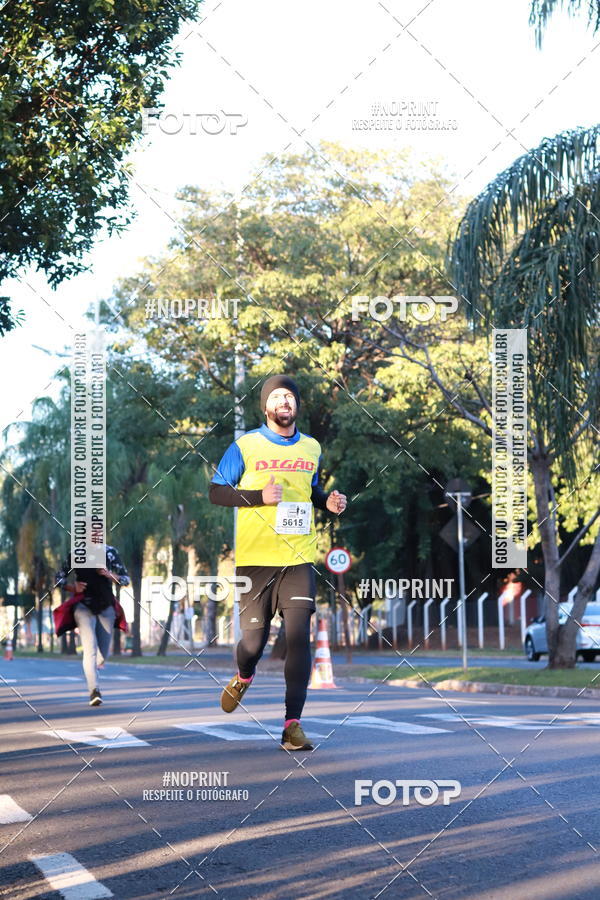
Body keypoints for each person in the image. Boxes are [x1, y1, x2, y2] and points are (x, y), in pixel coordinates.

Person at [209, 374, 347, 750]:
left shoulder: (312, 448)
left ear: (297, 405)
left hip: (298, 557)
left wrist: (327, 502)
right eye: (277, 397)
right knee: (252, 643)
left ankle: (292, 726)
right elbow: (216, 492)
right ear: (266, 406)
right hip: (255, 561)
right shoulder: (245, 446)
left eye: (290, 397)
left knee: (298, 638)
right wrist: (258, 496)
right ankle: (243, 675)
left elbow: (311, 491)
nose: (285, 402)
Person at [55, 544, 130, 706]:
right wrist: (72, 587)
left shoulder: (110, 552)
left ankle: (96, 665)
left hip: (106, 606)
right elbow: (58, 579)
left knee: (102, 655)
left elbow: (125, 579)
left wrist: (110, 575)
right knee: (90, 649)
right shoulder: (76, 553)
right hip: (83, 607)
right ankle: (94, 691)